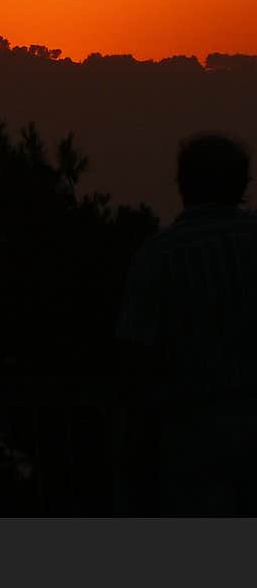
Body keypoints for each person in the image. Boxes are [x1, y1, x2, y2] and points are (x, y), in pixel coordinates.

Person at [117, 132, 257, 515]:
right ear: (242, 184)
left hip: (190, 442)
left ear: (182, 183)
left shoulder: (157, 257)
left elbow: (136, 357)